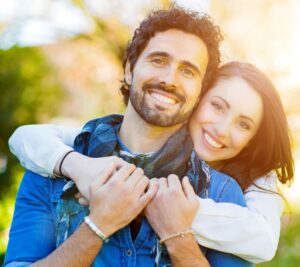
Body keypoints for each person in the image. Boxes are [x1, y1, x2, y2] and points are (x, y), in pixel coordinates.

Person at [4, 6, 233, 267]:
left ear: (201, 91)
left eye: (188, 71)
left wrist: (178, 238)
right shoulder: (48, 172)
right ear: (129, 70)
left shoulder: (221, 192)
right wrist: (98, 225)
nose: (170, 79)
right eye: (158, 60)